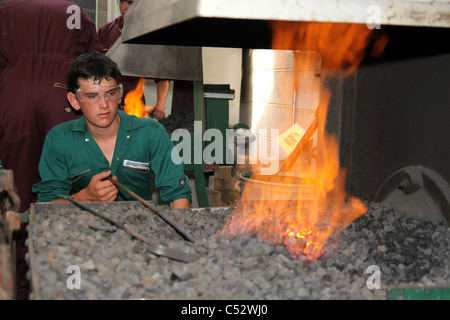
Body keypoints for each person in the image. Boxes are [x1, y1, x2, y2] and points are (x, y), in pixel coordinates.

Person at [0, 0, 103, 299]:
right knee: (70, 184)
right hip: (61, 91)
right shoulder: (73, 10)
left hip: (14, 93)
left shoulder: (5, 9)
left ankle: (21, 283)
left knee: (19, 184)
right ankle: (69, 276)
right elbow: (93, 59)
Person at [32, 52, 192, 209]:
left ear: (120, 94)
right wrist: (84, 198)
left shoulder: (151, 133)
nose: (104, 104)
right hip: (85, 230)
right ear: (74, 101)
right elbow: (47, 206)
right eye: (92, 96)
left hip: (142, 225)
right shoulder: (59, 139)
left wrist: (180, 231)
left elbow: (178, 195)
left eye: (110, 93)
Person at [98, 0, 169, 120]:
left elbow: (162, 75)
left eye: (129, 3)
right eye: (121, 2)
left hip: (134, 104)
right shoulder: (106, 31)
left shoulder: (149, 32)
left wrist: (160, 105)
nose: (124, 7)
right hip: (106, 102)